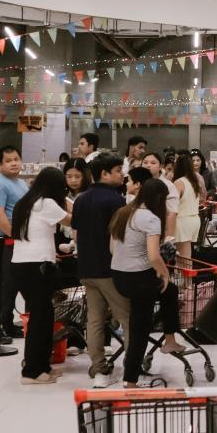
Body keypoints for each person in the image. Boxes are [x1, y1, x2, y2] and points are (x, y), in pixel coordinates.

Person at [110, 178, 185, 387]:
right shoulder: (151, 219)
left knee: (170, 292)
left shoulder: (123, 212)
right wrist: (164, 273)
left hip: (119, 275)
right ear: (160, 199)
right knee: (139, 330)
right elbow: (153, 256)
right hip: (139, 278)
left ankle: (169, 340)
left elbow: (112, 249)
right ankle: (131, 381)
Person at [73, 154, 131, 387]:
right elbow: (121, 236)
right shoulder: (116, 200)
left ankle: (99, 369)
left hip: (86, 268)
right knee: (128, 318)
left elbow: (76, 231)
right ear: (104, 174)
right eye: (118, 170)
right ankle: (132, 367)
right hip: (110, 269)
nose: (122, 174)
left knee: (94, 320)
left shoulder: (81, 199)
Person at [10, 166, 72, 384]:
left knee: (43, 317)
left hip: (23, 265)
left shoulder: (26, 203)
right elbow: (72, 220)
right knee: (40, 319)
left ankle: (41, 366)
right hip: (36, 266)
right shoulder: (46, 203)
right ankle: (32, 372)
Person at [0, 146, 29, 342]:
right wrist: (14, 235)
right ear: (0, 165)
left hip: (18, 240)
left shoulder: (20, 183)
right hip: (4, 241)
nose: (14, 163)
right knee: (5, 284)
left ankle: (9, 324)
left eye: (16, 159)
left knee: (16, 283)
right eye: (9, 160)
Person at [172, 148, 206, 256]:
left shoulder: (179, 182)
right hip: (194, 220)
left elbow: (172, 204)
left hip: (183, 221)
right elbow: (203, 199)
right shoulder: (195, 181)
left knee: (183, 257)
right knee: (185, 256)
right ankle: (182, 273)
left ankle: (184, 274)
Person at [141, 151, 180, 244]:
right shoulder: (137, 183)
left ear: (161, 166)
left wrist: (169, 238)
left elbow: (171, 213)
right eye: (145, 162)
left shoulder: (168, 185)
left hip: (159, 231)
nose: (148, 165)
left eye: (153, 163)